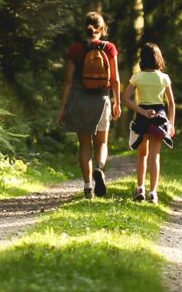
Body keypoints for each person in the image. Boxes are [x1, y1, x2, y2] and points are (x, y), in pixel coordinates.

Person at [58, 12, 119, 197]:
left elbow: (68, 81)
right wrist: (117, 102)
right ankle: (99, 168)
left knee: (84, 145)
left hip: (79, 98)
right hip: (101, 98)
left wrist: (63, 107)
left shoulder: (75, 49)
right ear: (102, 28)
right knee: (101, 143)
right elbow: (115, 79)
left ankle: (87, 187)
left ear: (85, 27)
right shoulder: (109, 48)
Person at [123, 42, 175, 203]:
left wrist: (142, 112)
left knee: (142, 155)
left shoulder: (137, 77)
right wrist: (171, 123)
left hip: (142, 117)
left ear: (142, 59)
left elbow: (126, 98)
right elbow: (171, 103)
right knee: (155, 156)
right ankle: (153, 192)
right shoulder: (164, 78)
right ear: (158, 58)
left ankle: (140, 188)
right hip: (159, 117)